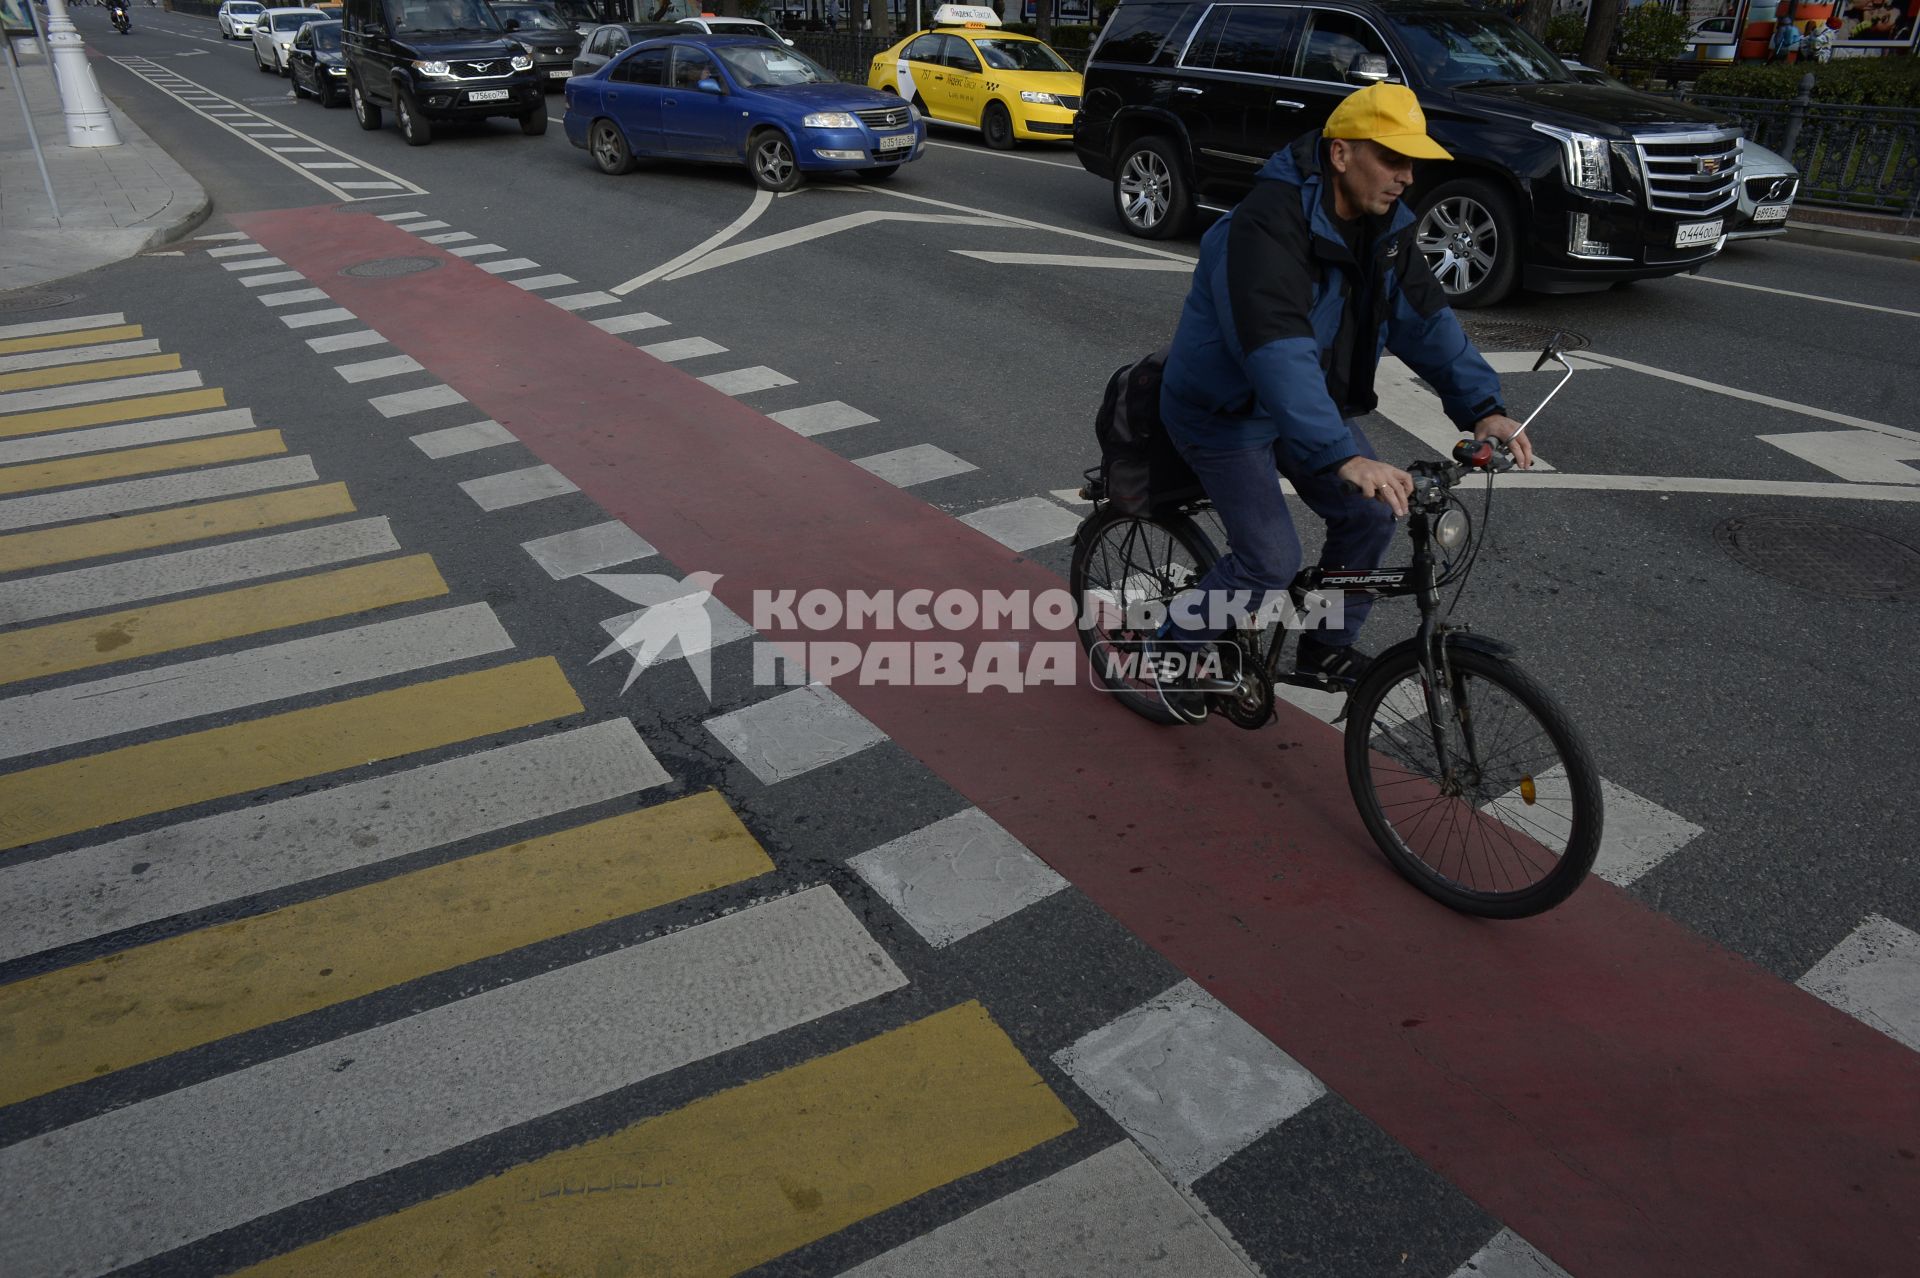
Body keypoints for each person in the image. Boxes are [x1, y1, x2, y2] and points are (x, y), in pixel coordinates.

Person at [1152, 83, 1530, 722]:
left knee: (1372, 516)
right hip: (1226, 413)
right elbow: (1276, 348)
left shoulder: (1386, 229)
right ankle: (1169, 654)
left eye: (1413, 163)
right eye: (1392, 159)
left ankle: (1324, 648)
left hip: (1306, 406)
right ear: (1341, 154)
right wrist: (1339, 456)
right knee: (1269, 562)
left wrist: (1482, 406)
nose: (1406, 178)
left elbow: (1426, 322)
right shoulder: (1263, 226)